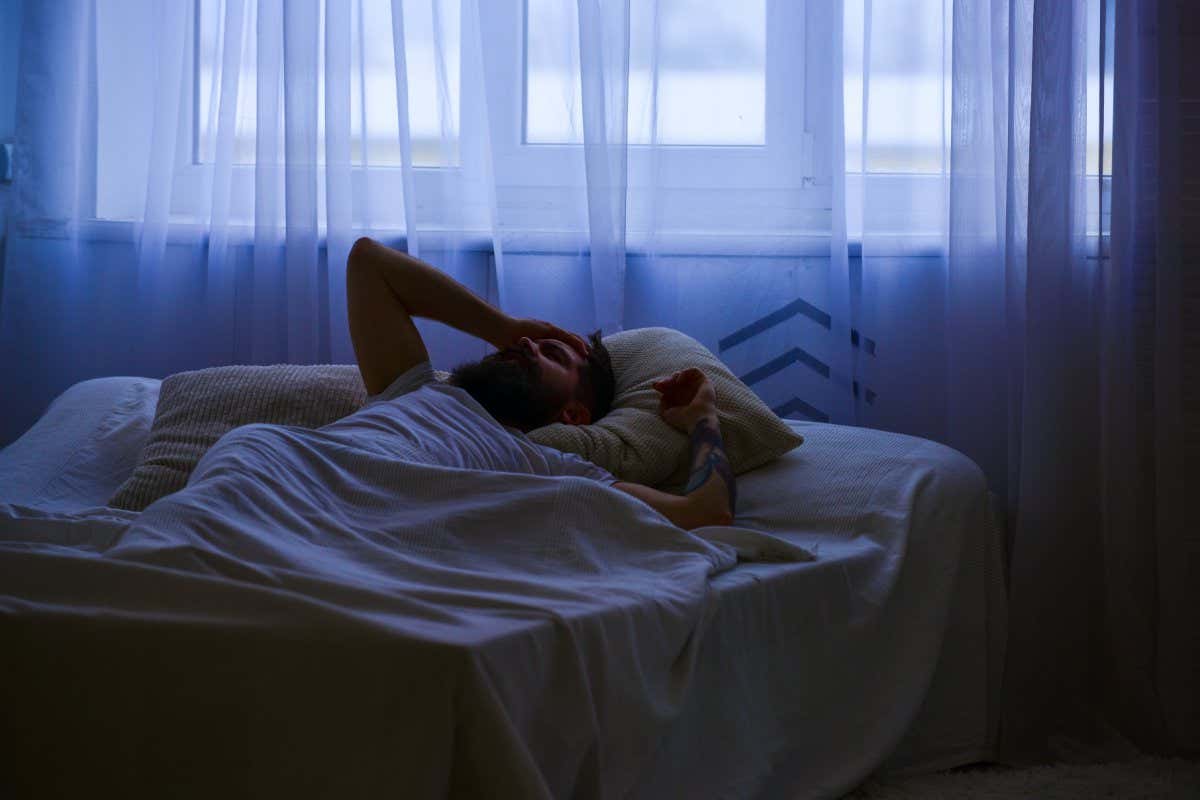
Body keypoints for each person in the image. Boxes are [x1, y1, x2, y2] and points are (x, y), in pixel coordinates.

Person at [343, 236, 735, 530]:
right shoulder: (413, 390)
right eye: (529, 343)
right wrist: (504, 327)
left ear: (573, 413)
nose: (528, 343)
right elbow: (368, 261)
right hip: (289, 463)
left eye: (554, 355)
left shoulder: (551, 468)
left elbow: (706, 513)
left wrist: (703, 418)